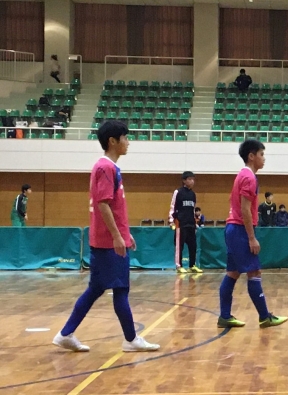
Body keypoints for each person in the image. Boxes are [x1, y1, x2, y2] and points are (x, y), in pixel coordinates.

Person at [52, 120, 159, 353]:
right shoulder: (105, 168)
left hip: (108, 240)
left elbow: (114, 207)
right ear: (113, 141)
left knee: (96, 289)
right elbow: (103, 204)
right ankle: (130, 339)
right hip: (108, 243)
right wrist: (117, 237)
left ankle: (65, 333)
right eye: (125, 137)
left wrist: (125, 234)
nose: (128, 142)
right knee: (120, 289)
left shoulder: (109, 168)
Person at [217, 139, 287, 330]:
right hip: (240, 230)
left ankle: (224, 316)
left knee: (232, 273)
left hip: (232, 228)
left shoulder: (241, 175)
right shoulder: (249, 178)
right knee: (254, 272)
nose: (264, 158)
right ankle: (265, 317)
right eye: (261, 154)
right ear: (251, 156)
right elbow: (245, 209)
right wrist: (251, 237)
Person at [169, 171, 200, 275]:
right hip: (180, 223)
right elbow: (172, 206)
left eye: (193, 179)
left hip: (191, 224)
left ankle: (192, 265)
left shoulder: (193, 194)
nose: (192, 181)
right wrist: (171, 221)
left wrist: (195, 223)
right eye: (190, 179)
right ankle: (179, 266)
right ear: (184, 180)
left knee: (193, 246)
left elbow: (193, 209)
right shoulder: (178, 192)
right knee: (180, 246)